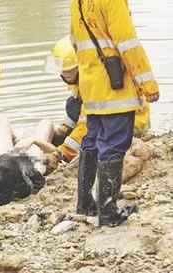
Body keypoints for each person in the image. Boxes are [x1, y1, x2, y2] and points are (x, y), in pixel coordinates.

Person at [70, 0, 159, 226]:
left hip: (92, 86)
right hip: (114, 87)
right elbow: (127, 42)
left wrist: (81, 84)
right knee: (113, 145)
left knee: (91, 141)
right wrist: (147, 83)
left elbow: (74, 41)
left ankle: (84, 202)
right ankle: (108, 212)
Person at [44, 35, 151, 164]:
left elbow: (87, 125)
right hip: (113, 116)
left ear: (80, 68)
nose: (66, 77)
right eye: (63, 72)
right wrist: (64, 130)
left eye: (69, 72)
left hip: (128, 124)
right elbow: (78, 108)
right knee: (73, 103)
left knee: (93, 137)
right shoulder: (86, 74)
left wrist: (62, 153)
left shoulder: (96, 83)